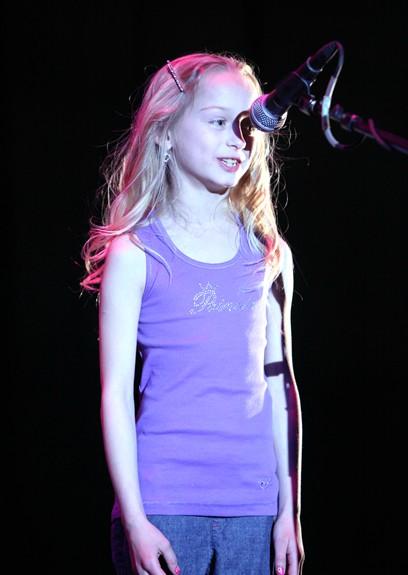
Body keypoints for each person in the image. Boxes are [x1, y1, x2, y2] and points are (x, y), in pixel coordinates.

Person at [81, 51, 304, 575]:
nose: (237, 139)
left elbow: (281, 386)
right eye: (218, 121)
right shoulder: (137, 252)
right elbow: (115, 393)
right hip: (164, 505)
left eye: (247, 125)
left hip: (254, 507)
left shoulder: (269, 253)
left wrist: (288, 510)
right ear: (165, 133)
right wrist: (135, 518)